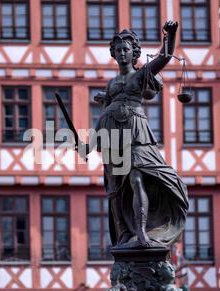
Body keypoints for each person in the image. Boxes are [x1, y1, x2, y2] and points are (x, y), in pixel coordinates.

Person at [79, 21, 188, 248]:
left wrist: (171, 34)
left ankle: (142, 232)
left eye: (125, 50)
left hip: (136, 132)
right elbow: (105, 114)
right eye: (118, 50)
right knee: (116, 190)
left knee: (138, 178)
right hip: (111, 134)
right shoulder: (111, 83)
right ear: (114, 54)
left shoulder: (141, 76)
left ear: (134, 53)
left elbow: (165, 57)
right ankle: (124, 235)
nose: (121, 54)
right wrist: (89, 144)